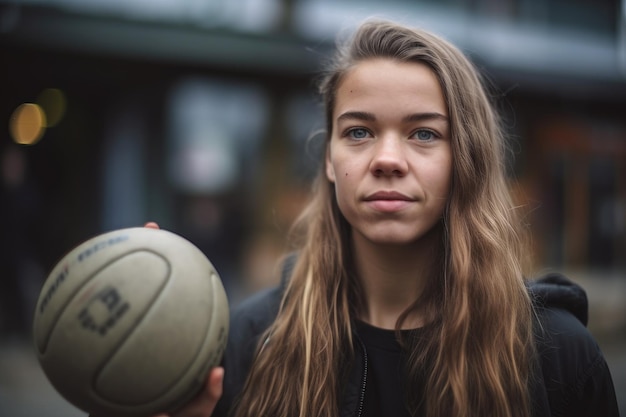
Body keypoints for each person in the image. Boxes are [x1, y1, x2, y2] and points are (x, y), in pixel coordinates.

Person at [95, 19, 620, 417]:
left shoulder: (558, 356)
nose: (386, 159)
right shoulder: (253, 339)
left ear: (468, 158)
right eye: (359, 132)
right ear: (329, 159)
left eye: (423, 133)